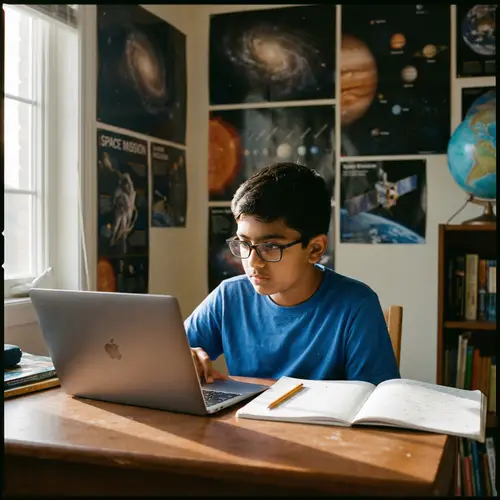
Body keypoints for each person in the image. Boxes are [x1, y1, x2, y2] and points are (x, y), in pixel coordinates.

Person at [185, 162, 400, 385]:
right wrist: (184, 358)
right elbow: (166, 355)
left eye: (270, 246)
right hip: (245, 419)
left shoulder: (356, 305)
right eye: (244, 243)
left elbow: (375, 399)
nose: (252, 262)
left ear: (315, 249)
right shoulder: (228, 297)